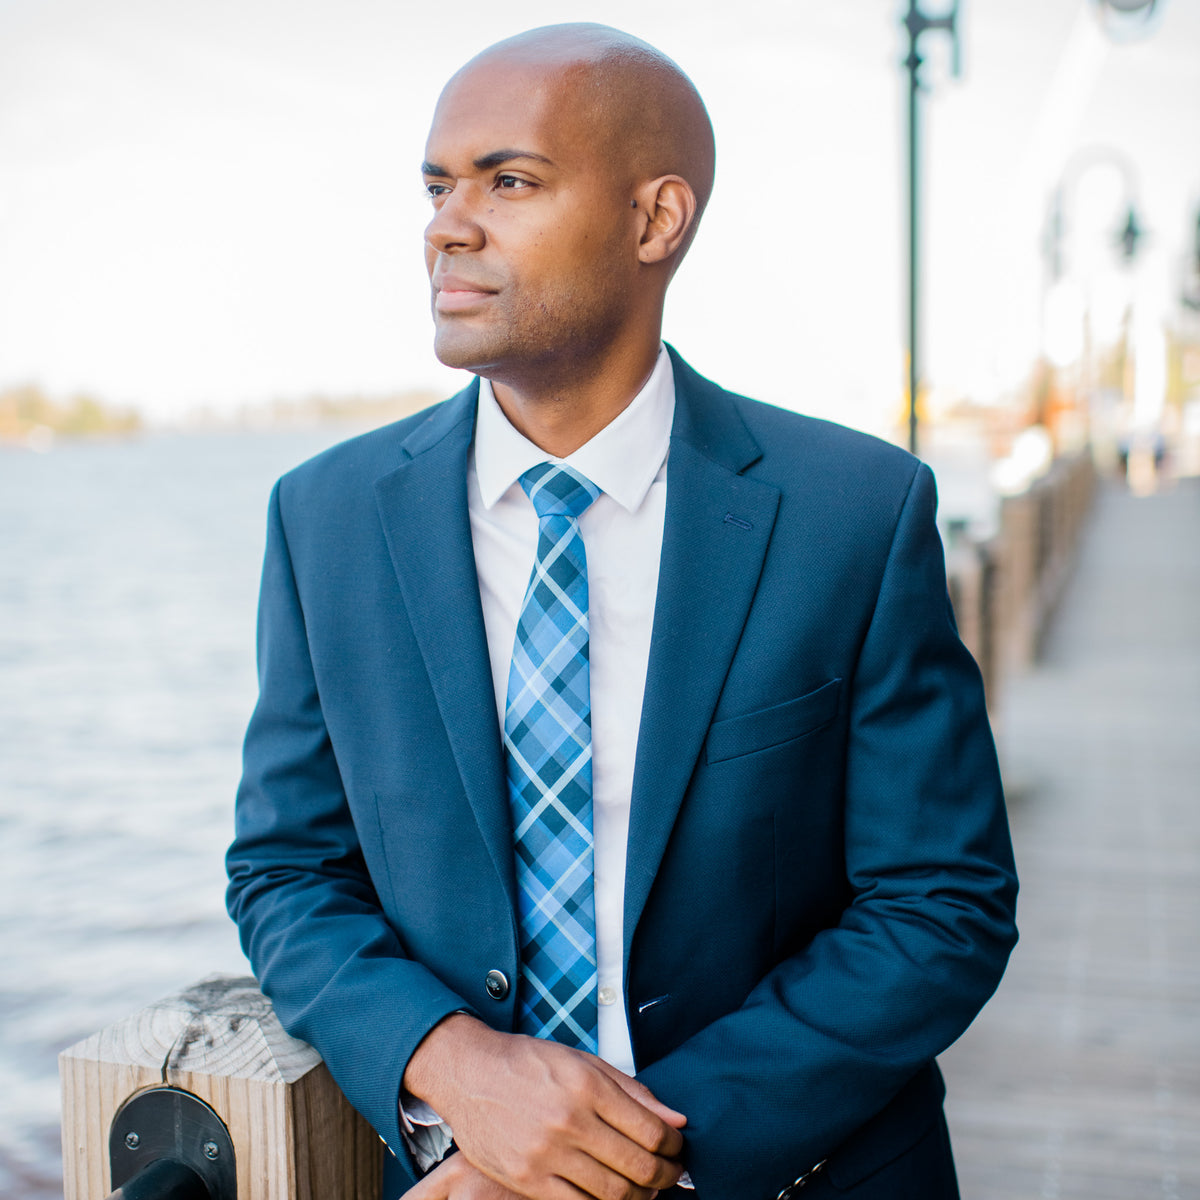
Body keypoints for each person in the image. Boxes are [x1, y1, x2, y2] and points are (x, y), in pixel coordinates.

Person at [226, 23, 1017, 1200]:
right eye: (440, 185)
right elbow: (286, 871)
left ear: (656, 221)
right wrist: (460, 1070)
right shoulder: (326, 518)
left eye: (510, 180)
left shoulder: (855, 510)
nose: (448, 222)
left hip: (790, 1174)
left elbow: (940, 903)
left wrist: (620, 1156)